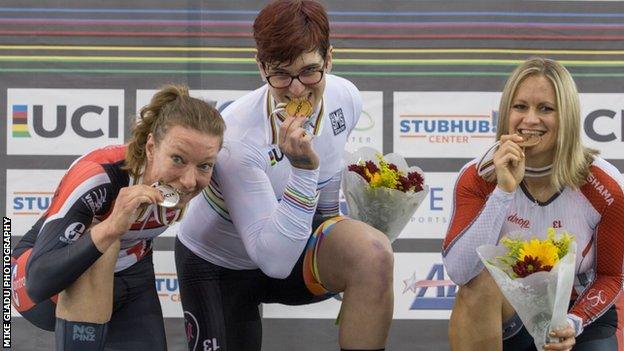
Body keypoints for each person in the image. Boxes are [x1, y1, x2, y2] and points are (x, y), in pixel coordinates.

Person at [174, 1, 394, 350]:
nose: (296, 89)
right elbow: (274, 261)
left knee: (374, 254)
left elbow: (325, 205)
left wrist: (346, 262)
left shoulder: (345, 97)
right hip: (218, 264)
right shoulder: (237, 136)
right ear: (260, 67)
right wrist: (304, 170)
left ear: (329, 60)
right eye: (280, 74)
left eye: (309, 71)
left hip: (291, 249)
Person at [11, 84, 225, 350]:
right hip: (41, 280)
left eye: (204, 166)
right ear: (150, 147)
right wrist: (112, 226)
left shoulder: (204, 171)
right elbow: (38, 283)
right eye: (178, 159)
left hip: (130, 275)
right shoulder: (100, 176)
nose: (189, 180)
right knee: (105, 243)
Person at [442, 57, 624, 351]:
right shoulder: (478, 177)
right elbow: (461, 273)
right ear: (506, 112)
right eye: (520, 106)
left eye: (546, 109)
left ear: (567, 116)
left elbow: (611, 276)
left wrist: (574, 322)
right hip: (510, 316)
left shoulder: (605, 185)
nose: (530, 120)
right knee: (478, 283)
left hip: (579, 319)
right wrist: (503, 191)